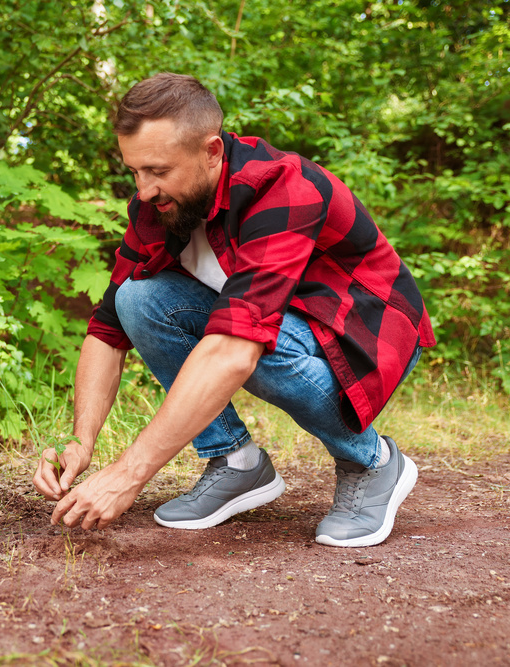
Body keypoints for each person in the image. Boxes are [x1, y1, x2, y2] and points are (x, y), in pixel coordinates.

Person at [33, 73, 435, 548]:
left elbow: (235, 349)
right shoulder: (157, 209)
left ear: (211, 152)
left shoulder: (284, 187)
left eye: (159, 171)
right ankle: (237, 463)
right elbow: (107, 330)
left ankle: (373, 462)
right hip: (274, 328)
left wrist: (128, 473)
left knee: (251, 342)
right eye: (135, 171)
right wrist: (81, 441)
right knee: (135, 300)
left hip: (365, 336)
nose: (143, 190)